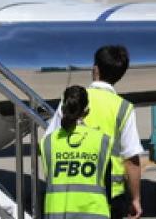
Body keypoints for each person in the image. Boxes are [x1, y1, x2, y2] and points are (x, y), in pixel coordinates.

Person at [46, 45, 143, 219]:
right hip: (109, 195)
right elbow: (131, 159)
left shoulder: (71, 100)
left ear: (95, 69)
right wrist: (136, 198)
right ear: (121, 75)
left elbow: (49, 142)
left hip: (67, 193)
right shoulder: (123, 108)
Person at [42, 85, 113, 219]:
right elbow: (108, 185)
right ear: (87, 111)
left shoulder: (47, 143)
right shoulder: (102, 141)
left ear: (62, 110)